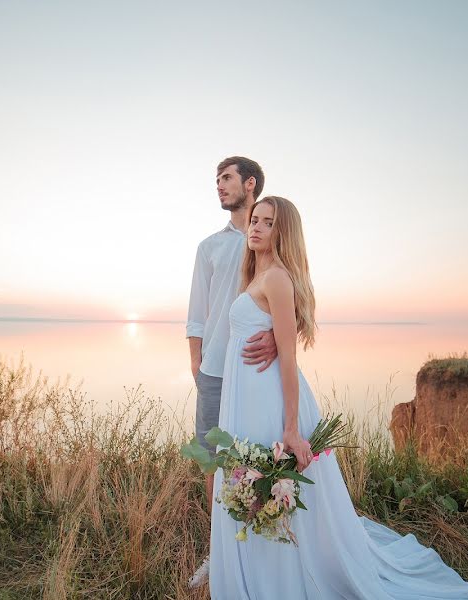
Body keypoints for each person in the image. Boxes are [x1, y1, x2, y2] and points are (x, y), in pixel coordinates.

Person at [209, 196, 468, 599]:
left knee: (269, 488)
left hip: (270, 399)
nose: (256, 227)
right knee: (245, 485)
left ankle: (280, 581)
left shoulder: (277, 279)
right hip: (246, 397)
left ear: (282, 232)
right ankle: (252, 574)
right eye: (254, 220)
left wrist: (290, 427)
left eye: (267, 223)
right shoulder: (255, 274)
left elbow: (288, 356)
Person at [186, 156, 278, 588]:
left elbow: (294, 298)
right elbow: (196, 314)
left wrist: (280, 337)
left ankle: (262, 550)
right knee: (213, 461)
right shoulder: (210, 246)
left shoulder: (270, 240)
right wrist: (197, 363)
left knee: (258, 457)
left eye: (226, 178)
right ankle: (218, 554)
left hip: (257, 371)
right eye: (216, 180)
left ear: (250, 183)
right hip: (215, 370)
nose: (219, 186)